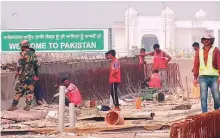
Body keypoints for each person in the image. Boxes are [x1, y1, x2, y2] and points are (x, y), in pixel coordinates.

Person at [8, 40, 38, 111]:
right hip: (32, 76)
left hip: (24, 76)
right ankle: (28, 106)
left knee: (19, 90)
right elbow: (36, 66)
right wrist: (36, 76)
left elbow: (19, 64)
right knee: (30, 90)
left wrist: (17, 72)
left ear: (23, 46)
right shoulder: (33, 54)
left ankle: (14, 105)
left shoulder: (23, 53)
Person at [193, 32, 220, 113]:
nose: (206, 41)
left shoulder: (216, 50)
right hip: (203, 77)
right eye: (204, 39)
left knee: (216, 96)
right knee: (203, 97)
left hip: (214, 76)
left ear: (211, 40)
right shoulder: (199, 51)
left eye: (208, 39)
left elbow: (219, 62)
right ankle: (204, 114)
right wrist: (195, 78)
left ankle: (217, 110)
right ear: (202, 41)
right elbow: (196, 64)